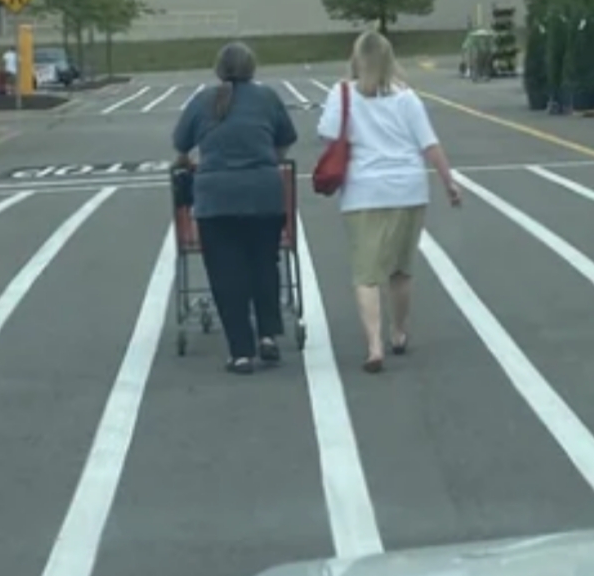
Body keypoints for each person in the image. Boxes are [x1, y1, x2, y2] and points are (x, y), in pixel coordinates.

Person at [315, 29, 461, 373]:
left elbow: (327, 133)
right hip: (408, 189)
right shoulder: (406, 97)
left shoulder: (343, 93)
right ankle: (399, 331)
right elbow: (429, 144)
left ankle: (374, 344)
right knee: (400, 269)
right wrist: (448, 182)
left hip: (363, 191)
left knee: (366, 273)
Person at [173, 41, 297, 375]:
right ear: (252, 68)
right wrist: (270, 157)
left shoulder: (202, 101)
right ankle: (268, 335)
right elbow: (285, 139)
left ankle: (241, 352)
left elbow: (181, 143)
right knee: (264, 264)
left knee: (227, 274)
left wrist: (188, 161)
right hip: (263, 195)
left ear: (218, 69)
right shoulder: (267, 98)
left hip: (216, 200)